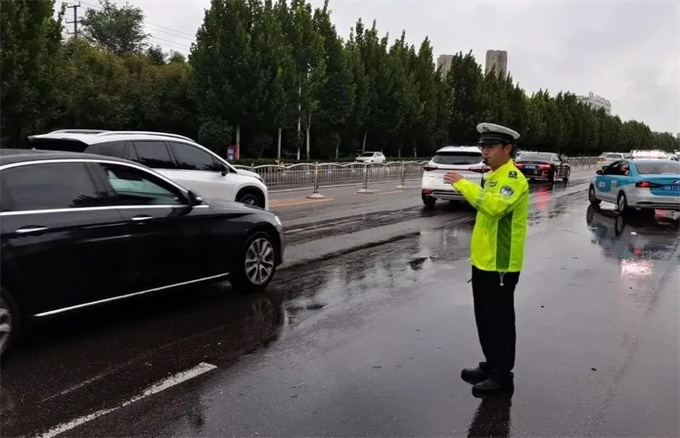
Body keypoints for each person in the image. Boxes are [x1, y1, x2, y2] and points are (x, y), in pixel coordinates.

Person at [443, 122, 529, 393]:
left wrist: (463, 185)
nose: (485, 152)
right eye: (483, 147)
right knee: (484, 316)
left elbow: (493, 208)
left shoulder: (513, 179)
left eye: (491, 147)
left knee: (499, 320)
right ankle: (491, 363)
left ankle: (502, 373)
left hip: (500, 265)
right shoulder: (493, 177)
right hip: (484, 262)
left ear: (508, 149)